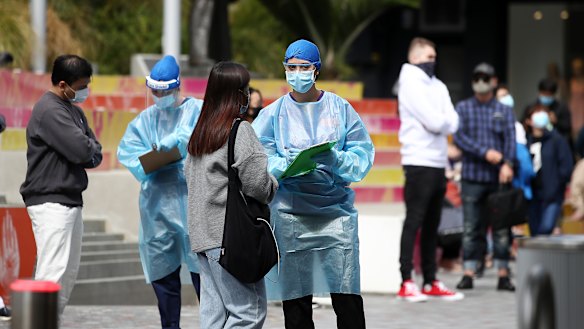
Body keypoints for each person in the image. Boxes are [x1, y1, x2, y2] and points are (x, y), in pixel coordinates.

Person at [252, 39, 374, 329]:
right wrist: (285, 164)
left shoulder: (339, 109)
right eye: (291, 67)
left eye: (304, 67)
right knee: (296, 301)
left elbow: (362, 154)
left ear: (316, 70)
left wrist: (335, 158)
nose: (297, 73)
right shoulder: (273, 113)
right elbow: (259, 157)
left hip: (336, 213)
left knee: (346, 297)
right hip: (291, 215)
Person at [184, 61, 278, 329]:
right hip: (230, 238)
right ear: (236, 94)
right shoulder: (239, 130)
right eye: (244, 89)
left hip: (203, 238)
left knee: (214, 316)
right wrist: (275, 184)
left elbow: (189, 178)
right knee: (247, 313)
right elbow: (258, 185)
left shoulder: (200, 133)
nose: (248, 96)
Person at [117, 55, 201, 329]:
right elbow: (129, 155)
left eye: (165, 91)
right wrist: (159, 155)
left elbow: (206, 139)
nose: (160, 96)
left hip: (195, 205)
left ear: (178, 87)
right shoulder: (144, 121)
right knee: (164, 278)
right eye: (155, 91)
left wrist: (179, 142)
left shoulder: (197, 111)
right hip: (157, 210)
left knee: (206, 277)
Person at [19, 54, 103, 314]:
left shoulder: (73, 111)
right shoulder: (49, 110)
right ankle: (37, 321)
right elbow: (81, 149)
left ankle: (50, 320)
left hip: (70, 200)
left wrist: (87, 147)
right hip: (50, 200)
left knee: (67, 273)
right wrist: (86, 147)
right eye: (81, 87)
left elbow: (95, 152)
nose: (84, 92)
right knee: (52, 271)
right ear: (63, 84)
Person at [395, 37, 462, 302]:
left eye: (434, 57)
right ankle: (406, 280)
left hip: (438, 162)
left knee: (433, 224)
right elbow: (436, 121)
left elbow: (453, 122)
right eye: (428, 57)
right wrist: (442, 120)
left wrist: (443, 121)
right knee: (415, 220)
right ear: (415, 58)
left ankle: (431, 280)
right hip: (417, 160)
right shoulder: (409, 83)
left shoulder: (439, 86)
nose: (432, 62)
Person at [453, 62, 516, 292]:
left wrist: (507, 164)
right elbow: (459, 137)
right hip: (471, 176)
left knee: (501, 229)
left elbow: (511, 140)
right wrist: (485, 152)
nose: (481, 81)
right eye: (477, 77)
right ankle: (468, 273)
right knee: (471, 227)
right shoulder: (463, 108)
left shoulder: (504, 110)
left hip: (498, 178)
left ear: (494, 81)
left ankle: (503, 274)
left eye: (485, 77)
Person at [524, 105, 573, 236]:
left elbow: (566, 166)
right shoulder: (525, 141)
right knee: (534, 231)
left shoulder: (557, 140)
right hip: (532, 194)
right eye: (536, 114)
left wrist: (557, 185)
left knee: (546, 228)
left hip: (552, 194)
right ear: (528, 120)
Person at [521, 78, 572, 148]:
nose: (546, 97)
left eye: (549, 95)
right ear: (539, 92)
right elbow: (523, 125)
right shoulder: (531, 108)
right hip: (534, 142)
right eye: (544, 94)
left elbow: (567, 128)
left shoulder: (561, 108)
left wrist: (556, 121)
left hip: (556, 145)